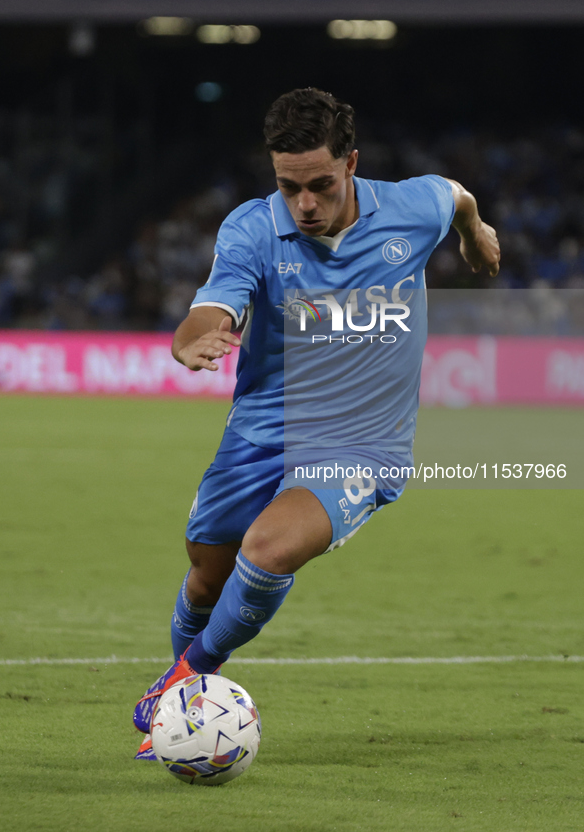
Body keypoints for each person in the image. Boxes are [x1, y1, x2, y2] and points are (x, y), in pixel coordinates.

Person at [133, 88, 500, 757]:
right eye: (288, 186)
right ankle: (186, 684)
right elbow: (212, 307)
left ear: (351, 164)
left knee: (268, 548)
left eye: (320, 185)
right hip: (261, 430)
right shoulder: (251, 228)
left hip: (361, 442)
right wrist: (194, 339)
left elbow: (455, 195)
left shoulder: (409, 208)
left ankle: (185, 681)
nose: (303, 203)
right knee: (206, 576)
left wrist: (475, 233)